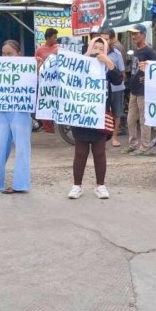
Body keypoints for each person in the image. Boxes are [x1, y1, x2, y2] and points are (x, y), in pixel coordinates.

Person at [67, 37, 122, 199]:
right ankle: (77, 186)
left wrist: (108, 63)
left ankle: (101, 185)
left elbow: (118, 80)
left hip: (100, 115)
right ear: (89, 48)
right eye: (94, 47)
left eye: (101, 48)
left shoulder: (107, 68)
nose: (97, 51)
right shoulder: (80, 65)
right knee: (80, 152)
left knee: (99, 152)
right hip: (82, 115)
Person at [0, 40, 33, 194]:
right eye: (3, 53)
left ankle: (20, 184)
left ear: (19, 54)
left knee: (22, 149)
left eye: (9, 53)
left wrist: (36, 68)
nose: (5, 56)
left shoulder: (28, 68)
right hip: (2, 110)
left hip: (21, 111)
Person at [122, 23, 156, 156]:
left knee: (144, 120)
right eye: (132, 34)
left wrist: (148, 76)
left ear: (143, 34)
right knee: (130, 119)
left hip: (144, 91)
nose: (133, 36)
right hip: (134, 90)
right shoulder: (137, 50)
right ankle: (133, 144)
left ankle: (144, 146)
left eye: (135, 34)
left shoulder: (148, 50)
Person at [101, 28, 126, 147]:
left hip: (116, 88)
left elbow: (122, 73)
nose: (104, 41)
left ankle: (114, 137)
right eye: (102, 39)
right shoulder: (96, 52)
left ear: (111, 40)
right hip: (101, 89)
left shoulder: (117, 54)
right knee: (102, 112)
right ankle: (101, 137)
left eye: (106, 39)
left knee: (117, 113)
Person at [35, 28, 59, 134]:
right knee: (45, 103)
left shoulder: (58, 48)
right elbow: (36, 64)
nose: (56, 39)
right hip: (43, 82)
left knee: (54, 102)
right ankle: (48, 128)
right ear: (48, 38)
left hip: (55, 81)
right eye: (54, 37)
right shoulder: (40, 50)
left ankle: (54, 124)